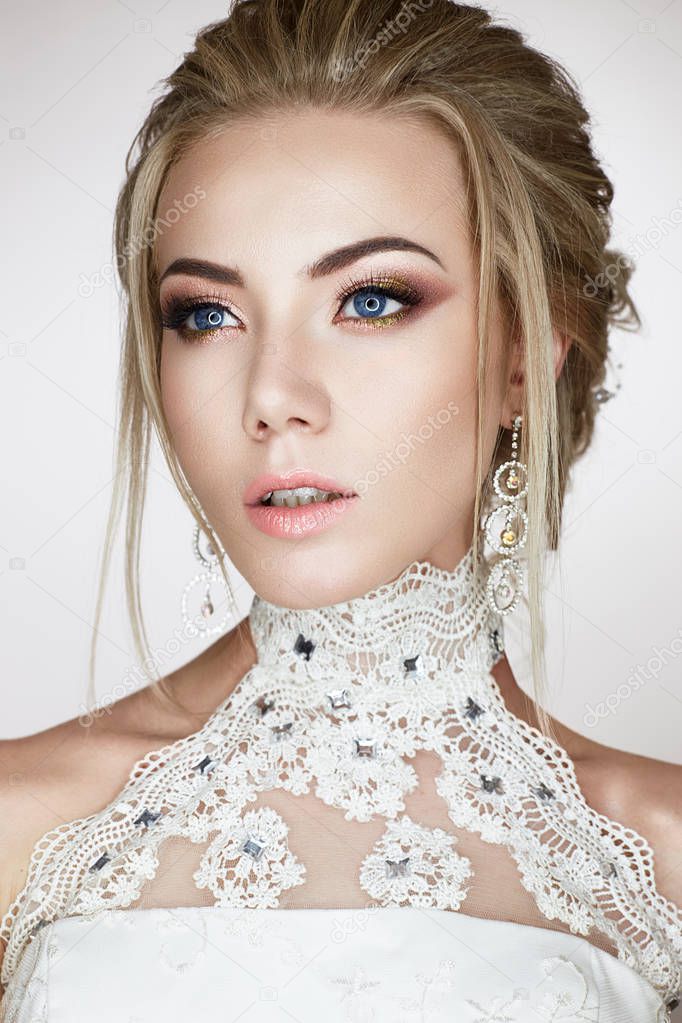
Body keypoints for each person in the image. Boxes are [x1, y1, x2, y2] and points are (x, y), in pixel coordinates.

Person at [1, 0, 680, 1020]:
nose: (272, 396)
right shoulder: (22, 827)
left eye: (370, 300)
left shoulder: (656, 859)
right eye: (207, 314)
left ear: (527, 353)